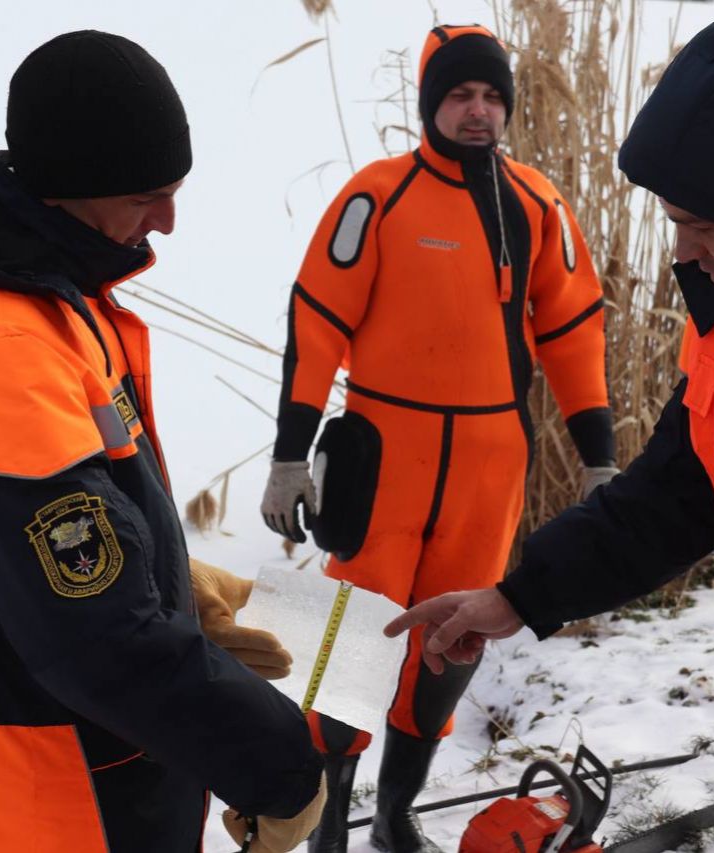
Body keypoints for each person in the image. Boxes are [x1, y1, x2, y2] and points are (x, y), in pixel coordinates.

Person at [0, 30, 325, 852]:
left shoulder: (37, 284)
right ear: (66, 187)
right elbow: (95, 636)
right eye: (147, 196)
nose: (169, 221)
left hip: (66, 765)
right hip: (39, 803)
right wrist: (279, 768)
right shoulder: (1, 351)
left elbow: (24, 541)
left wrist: (167, 575)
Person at [260, 23, 618, 853]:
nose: (477, 110)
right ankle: (325, 826)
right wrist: (288, 453)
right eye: (459, 95)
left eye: (492, 96)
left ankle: (393, 816)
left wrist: (598, 457)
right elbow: (315, 323)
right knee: (351, 642)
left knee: (453, 643)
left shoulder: (536, 204)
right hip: (381, 457)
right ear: (432, 104)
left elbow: (573, 333)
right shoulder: (376, 196)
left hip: (488, 469)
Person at [385, 6, 714, 740]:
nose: (682, 255)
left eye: (704, 226)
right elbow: (673, 495)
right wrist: (520, 596)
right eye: (672, 223)